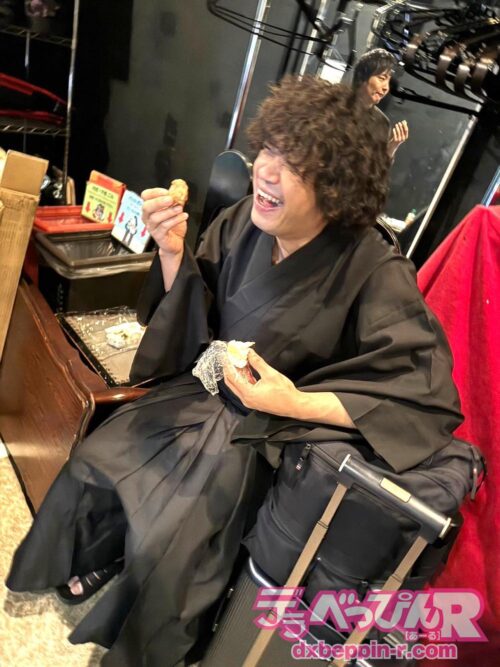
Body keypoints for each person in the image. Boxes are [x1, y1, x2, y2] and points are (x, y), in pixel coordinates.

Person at [6, 76, 462, 667]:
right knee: (99, 457)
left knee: (179, 538)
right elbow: (195, 315)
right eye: (268, 149)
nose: (266, 171)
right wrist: (172, 250)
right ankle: (106, 551)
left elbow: (418, 393)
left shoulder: (374, 269)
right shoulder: (247, 217)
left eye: (294, 163)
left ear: (337, 186)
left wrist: (292, 402)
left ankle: (149, 623)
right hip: (203, 390)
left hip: (264, 436)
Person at [352, 47, 409, 158]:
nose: (386, 88)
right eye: (382, 78)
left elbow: (377, 166)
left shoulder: (382, 124)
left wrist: (392, 146)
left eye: (388, 81)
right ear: (362, 77)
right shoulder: (335, 106)